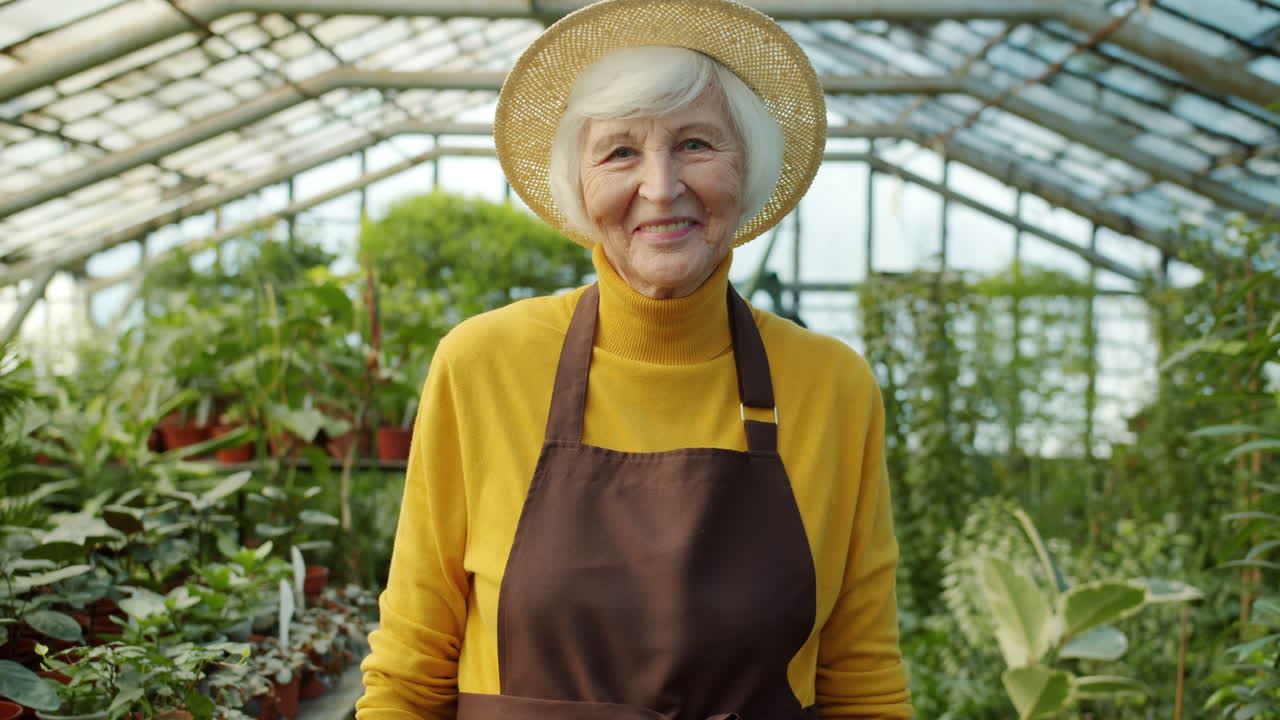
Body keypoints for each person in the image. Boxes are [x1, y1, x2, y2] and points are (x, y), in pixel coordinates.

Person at [356, 0, 912, 717]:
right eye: (620, 151)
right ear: (581, 187)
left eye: (696, 144)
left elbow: (861, 677)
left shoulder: (831, 387)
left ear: (747, 168)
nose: (660, 186)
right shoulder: (483, 366)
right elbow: (409, 669)